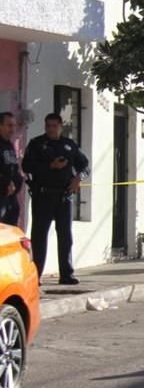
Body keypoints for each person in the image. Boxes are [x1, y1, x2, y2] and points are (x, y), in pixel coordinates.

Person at [21, 113, 89, 284]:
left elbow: (85, 166)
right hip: (43, 195)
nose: (51, 129)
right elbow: (27, 166)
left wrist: (78, 178)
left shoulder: (69, 145)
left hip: (64, 196)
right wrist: (50, 166)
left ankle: (66, 274)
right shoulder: (37, 144)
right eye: (48, 125)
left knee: (65, 236)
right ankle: (35, 275)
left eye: (54, 125)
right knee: (39, 237)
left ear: (61, 126)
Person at [0, 112, 24, 227]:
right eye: (9, 125)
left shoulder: (9, 145)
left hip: (10, 198)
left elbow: (13, 168)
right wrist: (5, 182)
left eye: (14, 125)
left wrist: (18, 181)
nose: (13, 129)